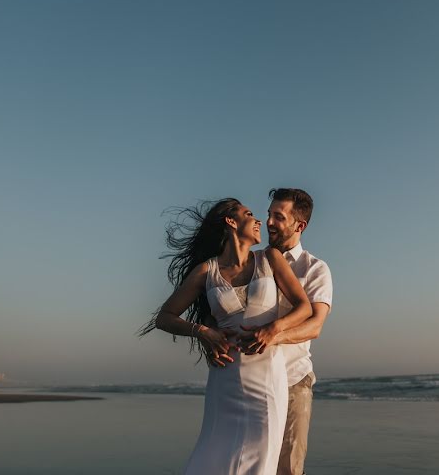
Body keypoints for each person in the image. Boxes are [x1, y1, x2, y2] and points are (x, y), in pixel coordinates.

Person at [142, 198, 312, 475]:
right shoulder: (206, 271)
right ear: (231, 222)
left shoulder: (270, 258)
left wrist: (274, 328)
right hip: (226, 378)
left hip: (267, 379)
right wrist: (202, 331)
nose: (259, 221)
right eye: (249, 215)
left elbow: (304, 307)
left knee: (260, 461)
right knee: (212, 458)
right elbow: (165, 317)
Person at [255, 188, 334, 475]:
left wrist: (271, 336)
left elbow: (314, 326)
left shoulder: (315, 269)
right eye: (268, 215)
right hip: (253, 381)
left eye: (278, 216)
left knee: (287, 468)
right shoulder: (254, 262)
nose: (269, 222)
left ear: (299, 225)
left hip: (292, 380)